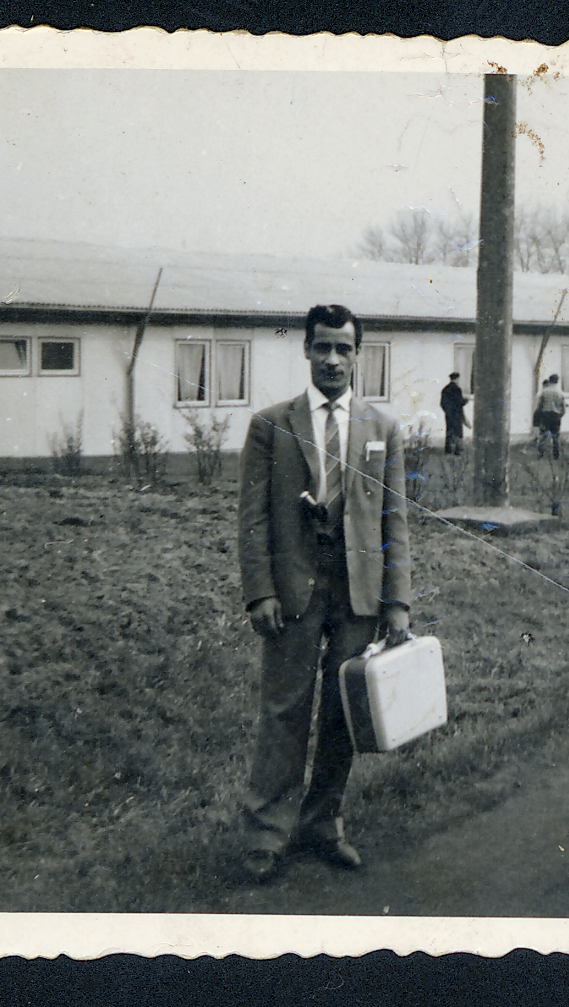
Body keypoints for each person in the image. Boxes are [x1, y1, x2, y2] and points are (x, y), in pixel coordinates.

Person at [237, 303, 412, 882]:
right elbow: (253, 520)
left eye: (343, 348)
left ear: (358, 354)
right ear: (306, 350)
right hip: (294, 591)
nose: (332, 359)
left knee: (343, 712)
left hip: (358, 594)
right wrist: (260, 592)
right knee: (284, 711)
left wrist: (397, 602)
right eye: (322, 347)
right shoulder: (271, 425)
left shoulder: (382, 428)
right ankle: (266, 833)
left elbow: (394, 522)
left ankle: (322, 823)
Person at [534, 374, 565, 459]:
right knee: (556, 436)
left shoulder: (544, 391)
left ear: (550, 380)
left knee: (543, 434)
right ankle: (556, 454)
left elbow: (540, 405)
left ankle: (541, 453)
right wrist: (560, 415)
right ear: (557, 381)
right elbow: (563, 406)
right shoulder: (560, 392)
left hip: (545, 414)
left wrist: (540, 414)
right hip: (556, 415)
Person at [439, 371, 470, 456]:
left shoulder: (445, 389)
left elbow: (442, 403)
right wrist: (466, 400)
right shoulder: (457, 389)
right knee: (458, 431)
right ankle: (458, 450)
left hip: (449, 415)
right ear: (457, 379)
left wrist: (447, 411)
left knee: (449, 431)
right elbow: (459, 402)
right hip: (457, 414)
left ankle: (448, 450)